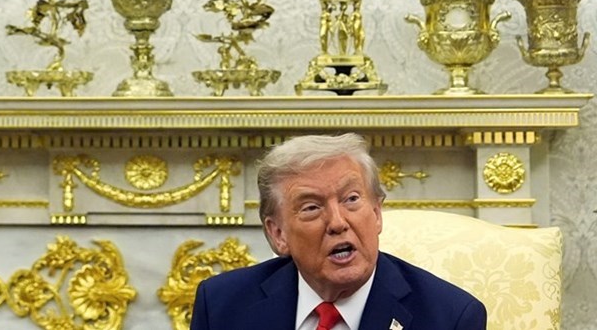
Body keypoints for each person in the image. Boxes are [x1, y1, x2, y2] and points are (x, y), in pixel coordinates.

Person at [190, 133, 487, 330]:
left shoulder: (450, 317)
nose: (337, 222)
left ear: (376, 213)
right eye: (311, 207)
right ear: (278, 234)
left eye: (351, 199)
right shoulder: (221, 306)